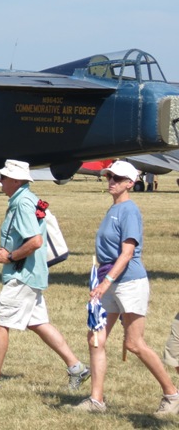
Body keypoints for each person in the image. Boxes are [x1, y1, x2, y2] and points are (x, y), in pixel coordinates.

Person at [0, 159, 90, 391]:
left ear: (15, 180)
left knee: (0, 322)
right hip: (33, 273)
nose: (0, 182)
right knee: (39, 323)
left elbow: (35, 241)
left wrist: (9, 257)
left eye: (3, 178)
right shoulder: (29, 199)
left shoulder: (22, 203)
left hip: (22, 274)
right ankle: (77, 368)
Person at [70, 160, 179, 415]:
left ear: (130, 183)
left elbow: (127, 253)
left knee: (134, 343)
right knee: (96, 339)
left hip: (129, 282)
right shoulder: (113, 209)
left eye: (117, 179)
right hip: (110, 282)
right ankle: (96, 400)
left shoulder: (129, 210)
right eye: (109, 177)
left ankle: (172, 394)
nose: (111, 182)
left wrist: (106, 283)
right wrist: (102, 281)